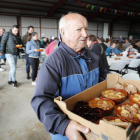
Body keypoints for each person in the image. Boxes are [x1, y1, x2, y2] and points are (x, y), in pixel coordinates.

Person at [31, 13, 108, 140]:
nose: (85, 34)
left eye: (86, 29)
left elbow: (103, 77)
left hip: (92, 122)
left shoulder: (93, 57)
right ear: (63, 32)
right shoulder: (53, 63)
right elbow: (41, 99)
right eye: (79, 29)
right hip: (67, 130)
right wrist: (64, 126)